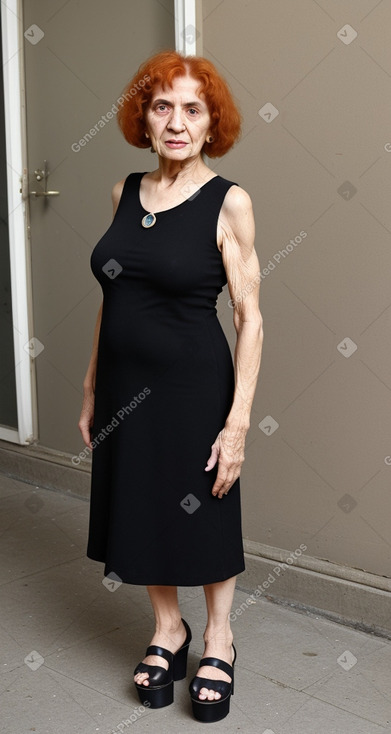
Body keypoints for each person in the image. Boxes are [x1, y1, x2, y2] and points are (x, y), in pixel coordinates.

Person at [78, 49, 263, 723]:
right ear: (143, 119)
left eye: (192, 109)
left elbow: (250, 317)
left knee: (202, 506)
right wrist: (94, 386)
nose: (176, 122)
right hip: (125, 386)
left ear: (212, 122)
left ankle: (218, 635)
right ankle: (167, 629)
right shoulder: (123, 192)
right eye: (162, 107)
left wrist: (237, 422)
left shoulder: (227, 201)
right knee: (142, 504)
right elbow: (113, 295)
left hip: (193, 388)